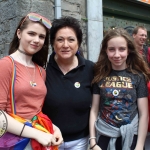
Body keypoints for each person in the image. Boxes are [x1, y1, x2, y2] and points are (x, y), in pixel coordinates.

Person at [0, 12, 63, 149]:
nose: (37, 40)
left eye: (41, 37)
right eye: (31, 34)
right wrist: (36, 134)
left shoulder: (41, 71)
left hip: (39, 137)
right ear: (19, 33)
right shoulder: (6, 65)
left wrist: (54, 128)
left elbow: (35, 111)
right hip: (13, 141)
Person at [89, 28, 150, 150]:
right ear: (106, 51)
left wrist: (139, 146)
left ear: (128, 51)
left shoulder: (138, 77)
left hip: (131, 138)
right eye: (112, 49)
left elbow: (144, 114)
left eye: (122, 49)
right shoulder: (99, 75)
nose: (117, 55)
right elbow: (94, 110)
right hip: (104, 137)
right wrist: (93, 142)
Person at [42, 16, 94, 150]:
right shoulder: (42, 69)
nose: (65, 45)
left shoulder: (90, 69)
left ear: (78, 43)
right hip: (49, 139)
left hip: (80, 141)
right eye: (60, 39)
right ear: (53, 43)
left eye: (71, 39)